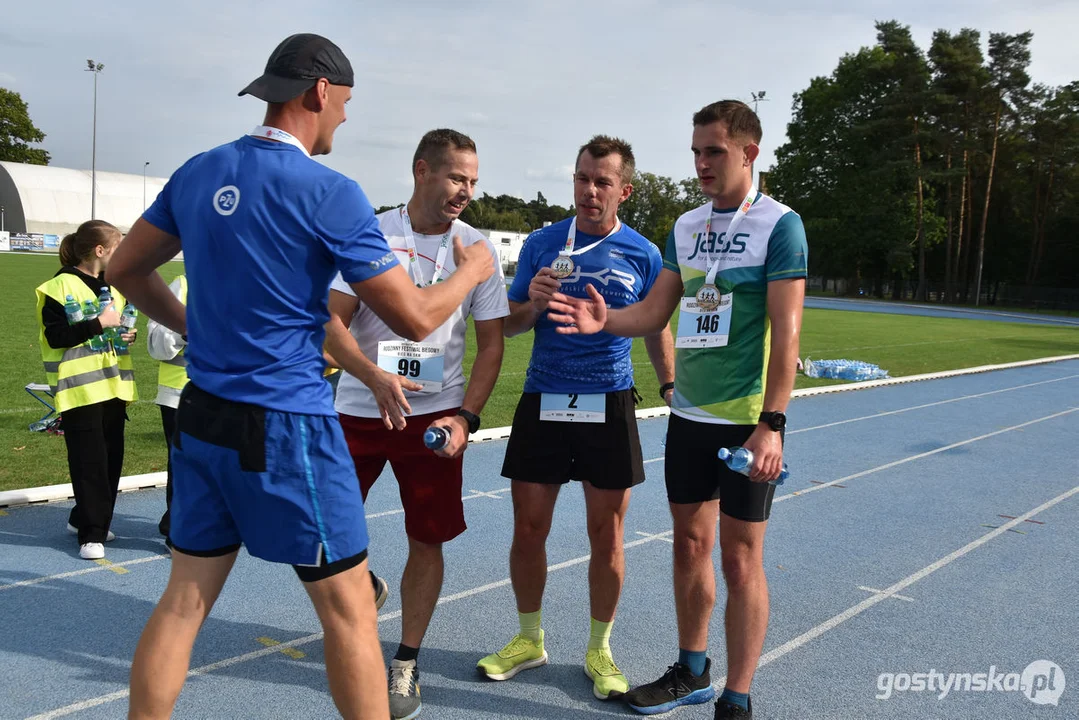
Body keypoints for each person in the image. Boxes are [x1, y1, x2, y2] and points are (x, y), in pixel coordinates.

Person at [107, 33, 494, 720]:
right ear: (319, 92)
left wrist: (194, 327)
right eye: (344, 103)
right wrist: (470, 271)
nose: (344, 117)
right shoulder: (329, 191)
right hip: (287, 427)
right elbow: (410, 317)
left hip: (202, 417)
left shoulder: (199, 170)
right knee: (348, 610)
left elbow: (125, 270)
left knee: (184, 598)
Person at [547, 100, 808, 720]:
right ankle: (692, 670)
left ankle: (737, 698)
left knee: (741, 559)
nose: (701, 164)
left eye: (713, 151)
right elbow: (656, 311)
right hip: (689, 417)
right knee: (689, 546)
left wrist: (772, 425)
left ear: (749, 152)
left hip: (747, 421)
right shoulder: (686, 226)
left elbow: (787, 332)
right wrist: (606, 319)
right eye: (695, 151)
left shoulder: (780, 225)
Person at [476, 136, 675, 702]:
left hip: (609, 402)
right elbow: (508, 326)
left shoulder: (643, 253)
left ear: (624, 191)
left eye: (602, 182)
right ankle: (529, 639)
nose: (590, 191)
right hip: (544, 399)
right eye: (583, 179)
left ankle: (599, 648)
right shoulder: (542, 243)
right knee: (529, 528)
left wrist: (669, 384)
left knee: (605, 535)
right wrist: (532, 304)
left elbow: (656, 324)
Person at [324, 128, 508, 720]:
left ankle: (405, 660)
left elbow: (491, 347)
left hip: (434, 416)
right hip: (359, 407)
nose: (466, 192)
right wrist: (373, 378)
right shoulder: (372, 233)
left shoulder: (477, 250)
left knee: (425, 538)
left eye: (474, 182)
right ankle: (365, 584)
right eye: (457, 177)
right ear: (422, 170)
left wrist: (467, 417)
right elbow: (331, 325)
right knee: (319, 532)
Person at [35, 219, 137, 560]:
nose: (122, 253)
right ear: (100, 250)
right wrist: (98, 323)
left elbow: (115, 330)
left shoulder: (114, 287)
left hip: (113, 385)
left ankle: (84, 517)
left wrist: (125, 336)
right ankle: (92, 534)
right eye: (118, 246)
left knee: (111, 460)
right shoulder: (59, 286)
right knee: (89, 461)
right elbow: (56, 337)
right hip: (79, 389)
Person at [145, 274, 187, 539]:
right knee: (184, 466)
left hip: (234, 396)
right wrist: (186, 331)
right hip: (180, 395)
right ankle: (177, 531)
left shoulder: (251, 282)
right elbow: (155, 343)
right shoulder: (183, 285)